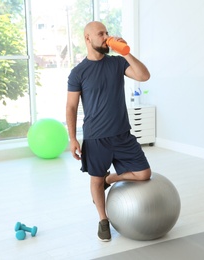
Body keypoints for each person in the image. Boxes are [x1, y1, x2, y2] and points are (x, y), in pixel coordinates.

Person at [65, 21, 152, 242]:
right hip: (96, 137)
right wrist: (72, 137)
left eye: (107, 33)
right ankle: (103, 220)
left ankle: (110, 179)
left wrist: (126, 52)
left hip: (122, 134)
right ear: (87, 38)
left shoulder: (117, 63)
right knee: (95, 180)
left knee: (144, 174)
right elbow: (71, 106)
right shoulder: (78, 72)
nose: (106, 37)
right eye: (100, 33)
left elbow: (144, 76)